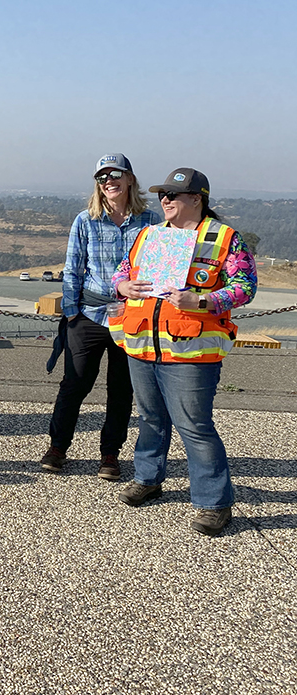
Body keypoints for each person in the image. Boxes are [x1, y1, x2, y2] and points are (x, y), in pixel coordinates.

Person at [111, 168, 257, 536]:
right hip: (143, 344)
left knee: (195, 427)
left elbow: (244, 287)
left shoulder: (225, 238)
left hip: (190, 351)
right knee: (150, 418)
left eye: (174, 195)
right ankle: (148, 478)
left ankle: (214, 503)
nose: (166, 200)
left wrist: (203, 300)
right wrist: (124, 285)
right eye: (163, 195)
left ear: (198, 199)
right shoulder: (149, 234)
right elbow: (122, 271)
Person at [41, 154, 161, 479]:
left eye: (115, 174)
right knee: (75, 384)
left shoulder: (151, 222)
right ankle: (57, 447)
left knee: (121, 389)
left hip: (133, 317)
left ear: (130, 179)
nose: (109, 181)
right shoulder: (85, 220)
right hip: (90, 315)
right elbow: (73, 268)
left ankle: (110, 453)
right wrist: (70, 314)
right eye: (102, 177)